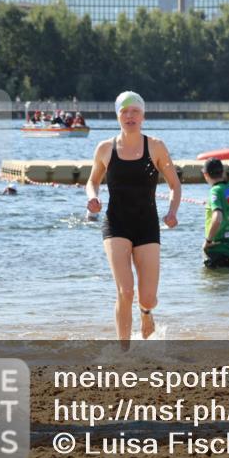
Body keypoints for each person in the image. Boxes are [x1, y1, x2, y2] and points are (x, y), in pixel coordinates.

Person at [86, 91, 181, 347]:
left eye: (135, 111)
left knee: (147, 298)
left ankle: (146, 313)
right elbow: (92, 181)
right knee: (125, 291)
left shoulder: (156, 146)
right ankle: (123, 351)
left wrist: (172, 211)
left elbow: (174, 185)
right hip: (116, 224)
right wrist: (93, 197)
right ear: (117, 116)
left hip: (147, 225)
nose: (130, 116)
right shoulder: (105, 148)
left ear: (143, 116)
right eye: (124, 111)